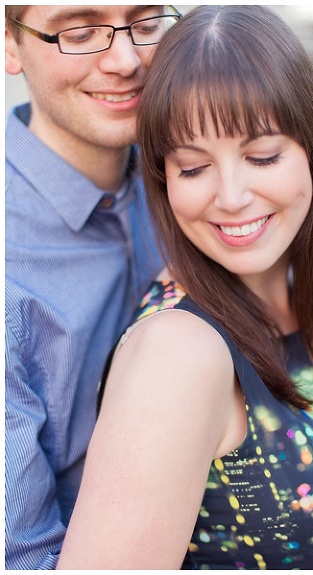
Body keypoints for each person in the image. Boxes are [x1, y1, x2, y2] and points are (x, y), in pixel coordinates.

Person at [55, 5, 313, 569]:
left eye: (262, 156)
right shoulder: (177, 354)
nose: (230, 197)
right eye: (192, 167)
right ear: (163, 179)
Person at [5, 5, 174, 569]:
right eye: (79, 33)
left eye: (147, 23)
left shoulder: (202, 182)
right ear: (10, 44)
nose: (126, 61)